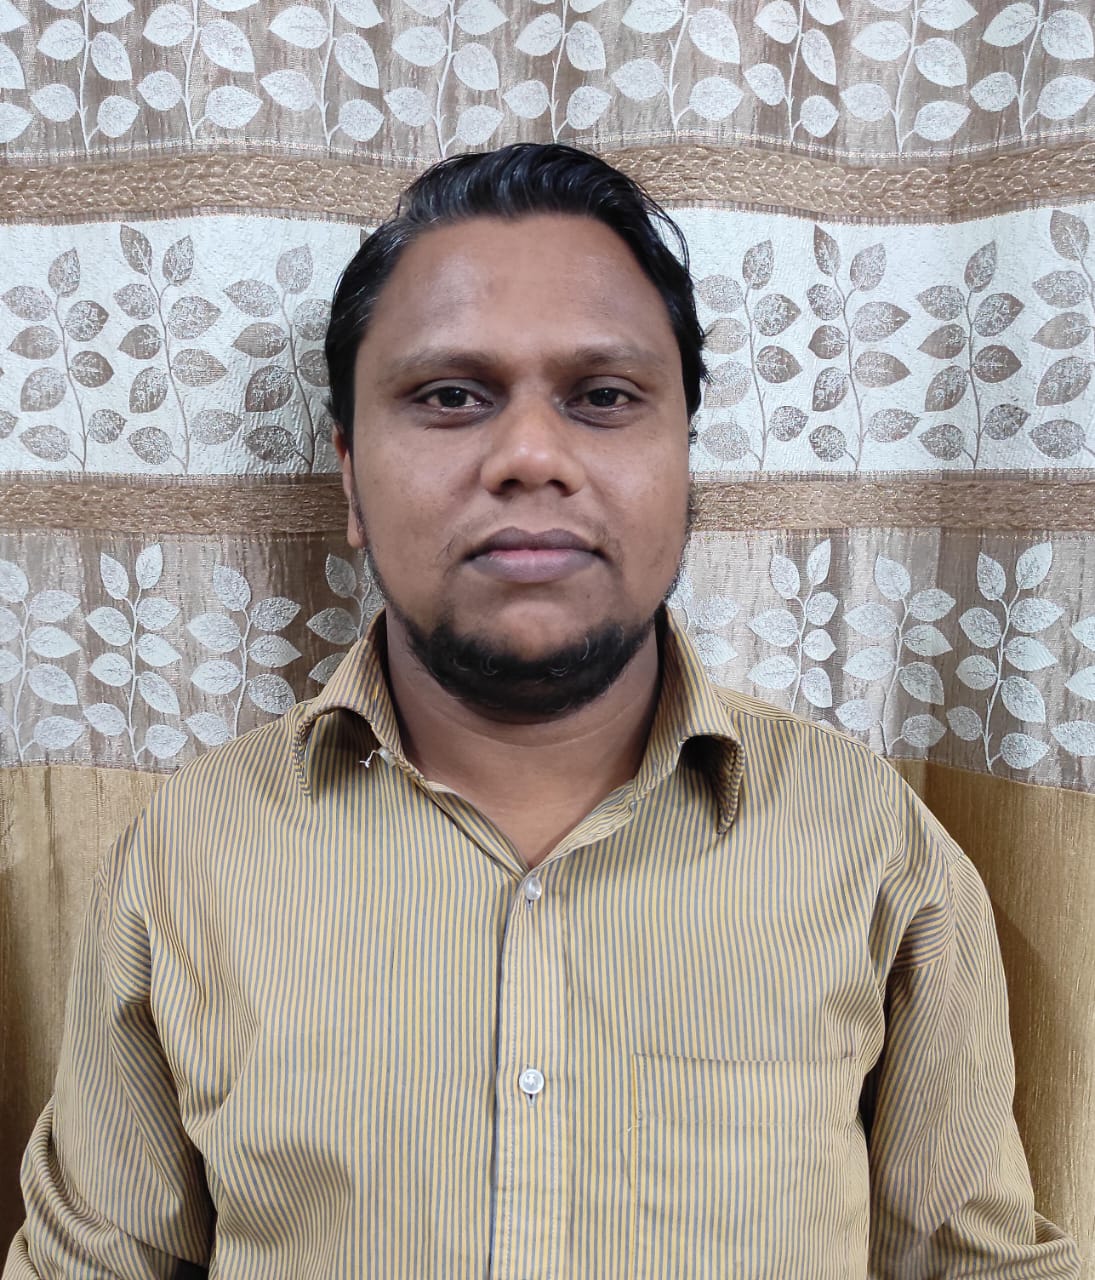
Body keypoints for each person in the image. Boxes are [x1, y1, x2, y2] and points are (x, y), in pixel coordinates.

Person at [4, 143, 1080, 1279]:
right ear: (350, 475)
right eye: (450, 396)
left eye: (603, 397)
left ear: (685, 462)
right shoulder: (193, 852)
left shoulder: (864, 841)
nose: (528, 455)